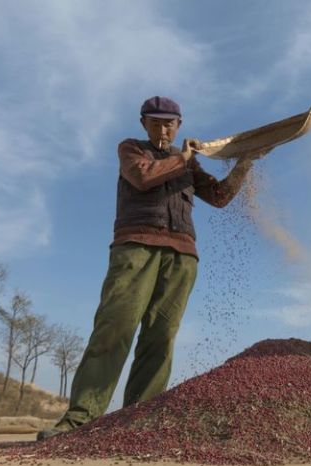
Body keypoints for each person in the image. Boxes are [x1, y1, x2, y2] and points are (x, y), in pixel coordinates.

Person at [38, 96, 261, 440]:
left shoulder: (186, 164)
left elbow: (218, 197)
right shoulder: (131, 150)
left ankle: (136, 424)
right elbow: (142, 178)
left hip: (182, 255)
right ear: (144, 124)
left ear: (179, 126)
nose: (162, 129)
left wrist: (246, 161)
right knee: (116, 326)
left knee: (161, 338)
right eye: (155, 122)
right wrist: (184, 157)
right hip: (136, 247)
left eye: (169, 123)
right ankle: (79, 421)